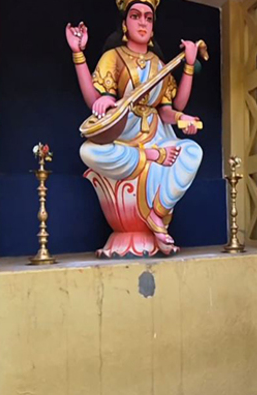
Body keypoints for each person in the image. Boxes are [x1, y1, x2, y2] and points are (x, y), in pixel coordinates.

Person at [65, 0, 203, 253]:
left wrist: (189, 70)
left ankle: (157, 213)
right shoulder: (113, 57)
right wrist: (79, 55)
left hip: (156, 134)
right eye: (136, 16)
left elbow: (170, 109)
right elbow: (95, 100)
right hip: (122, 133)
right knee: (88, 151)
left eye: (148, 18)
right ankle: (147, 157)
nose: (142, 23)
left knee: (193, 152)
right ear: (125, 23)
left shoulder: (159, 65)